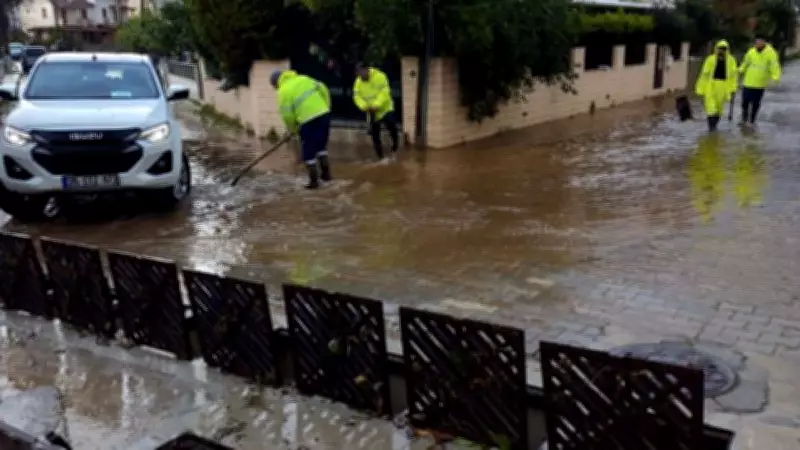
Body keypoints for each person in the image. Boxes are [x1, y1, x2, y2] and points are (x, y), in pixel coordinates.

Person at [270, 70, 332, 189]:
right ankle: (326, 176)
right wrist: (326, 106)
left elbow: (288, 116)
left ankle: (314, 182)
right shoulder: (304, 78)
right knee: (321, 147)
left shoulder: (283, 91)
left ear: (276, 83)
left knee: (308, 152)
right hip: (324, 114)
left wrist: (292, 130)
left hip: (306, 120)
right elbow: (323, 88)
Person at [353, 63, 399, 160]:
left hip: (385, 108)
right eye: (358, 73)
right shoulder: (358, 82)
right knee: (375, 134)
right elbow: (357, 96)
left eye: (362, 72)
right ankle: (380, 157)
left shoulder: (380, 76)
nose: (360, 75)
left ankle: (395, 147)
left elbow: (385, 92)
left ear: (367, 70)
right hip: (371, 111)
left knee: (392, 127)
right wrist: (363, 106)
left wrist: (377, 104)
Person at [695, 40, 738, 132]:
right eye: (720, 49)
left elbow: (733, 76)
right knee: (711, 108)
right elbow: (704, 75)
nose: (721, 51)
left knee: (719, 109)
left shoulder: (731, 61)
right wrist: (701, 88)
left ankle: (714, 126)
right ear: (716, 49)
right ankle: (711, 127)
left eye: (724, 49)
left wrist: (733, 88)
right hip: (711, 85)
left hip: (723, 87)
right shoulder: (710, 59)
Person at [738, 37, 781, 125]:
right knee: (745, 102)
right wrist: (739, 71)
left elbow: (774, 66)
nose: (758, 44)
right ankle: (744, 119)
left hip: (760, 84)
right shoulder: (751, 51)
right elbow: (745, 63)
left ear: (764, 42)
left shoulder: (771, 53)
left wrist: (775, 78)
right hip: (748, 82)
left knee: (755, 103)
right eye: (756, 42)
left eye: (760, 42)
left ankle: (752, 120)